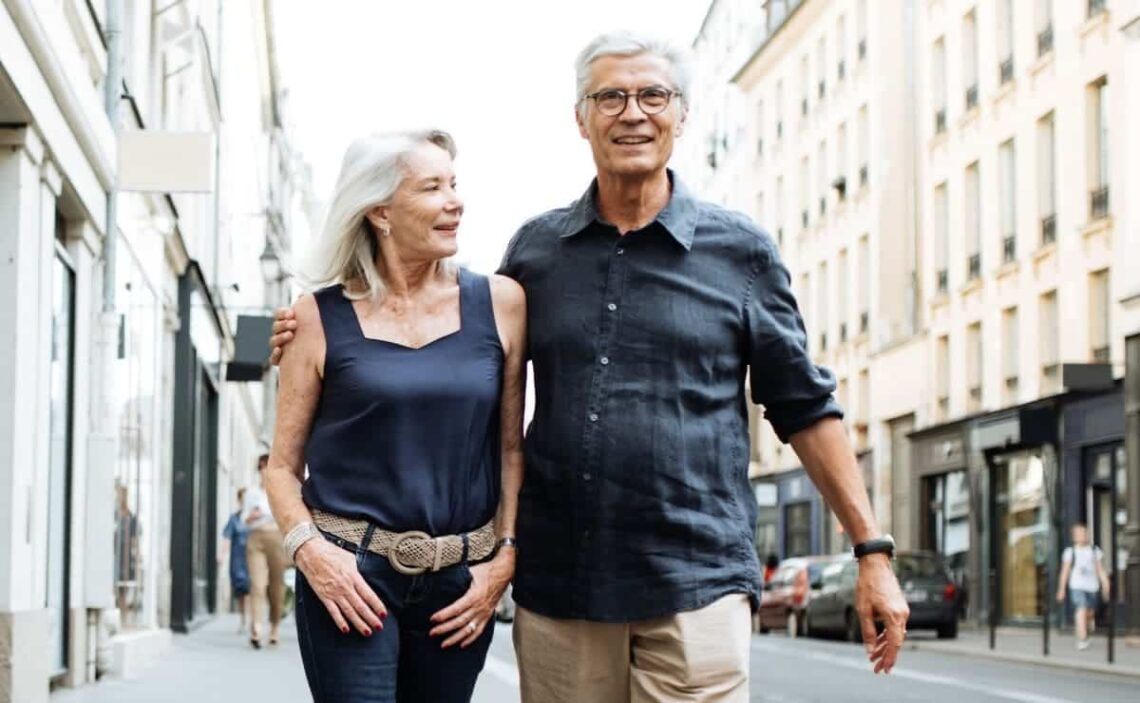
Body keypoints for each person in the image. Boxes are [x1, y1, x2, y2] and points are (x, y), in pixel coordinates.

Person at [271, 32, 907, 703]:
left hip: (694, 579)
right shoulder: (536, 254)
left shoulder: (740, 252)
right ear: (581, 117)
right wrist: (314, 319)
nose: (633, 112)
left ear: (682, 114)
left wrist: (872, 551)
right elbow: (447, 338)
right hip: (563, 585)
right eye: (611, 97)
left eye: (653, 95)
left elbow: (805, 406)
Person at [263, 130, 526, 702]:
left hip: (460, 583)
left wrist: (503, 560)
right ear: (379, 210)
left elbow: (509, 450)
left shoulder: (503, 303)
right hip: (349, 576)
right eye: (432, 187)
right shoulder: (313, 318)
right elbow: (281, 467)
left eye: (454, 184)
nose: (455, 200)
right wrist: (310, 551)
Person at [244, 454, 288, 648]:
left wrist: (265, 512)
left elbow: (287, 515)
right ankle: (256, 627)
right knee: (257, 584)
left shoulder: (282, 492)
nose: (264, 471)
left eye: (267, 466)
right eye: (261, 467)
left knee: (276, 587)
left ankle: (275, 626)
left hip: (277, 538)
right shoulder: (251, 494)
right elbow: (242, 520)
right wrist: (251, 516)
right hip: (256, 538)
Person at [1057, 522, 1111, 650]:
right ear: (1074, 536)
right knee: (1081, 609)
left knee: (1090, 613)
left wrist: (1105, 583)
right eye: (1080, 533)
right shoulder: (1070, 552)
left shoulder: (1094, 551)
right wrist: (1061, 589)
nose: (1083, 535)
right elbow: (1065, 572)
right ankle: (1082, 638)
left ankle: (1083, 630)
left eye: (1085, 533)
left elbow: (1100, 569)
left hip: (1092, 586)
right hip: (1077, 586)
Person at [222, 488, 252, 633]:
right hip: (238, 558)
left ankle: (254, 620)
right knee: (241, 590)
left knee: (255, 587)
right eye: (243, 499)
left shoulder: (256, 517)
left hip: (253, 557)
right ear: (239, 501)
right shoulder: (234, 518)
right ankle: (243, 618)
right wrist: (222, 554)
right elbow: (227, 537)